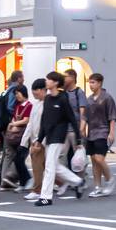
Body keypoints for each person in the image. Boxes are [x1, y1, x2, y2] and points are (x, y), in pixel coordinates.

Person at [33, 70, 83, 206]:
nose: (46, 82)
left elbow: (72, 119)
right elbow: (44, 120)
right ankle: (78, 181)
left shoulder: (63, 98)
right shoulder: (48, 99)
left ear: (55, 83)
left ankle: (46, 197)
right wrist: (39, 139)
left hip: (59, 136)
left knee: (49, 166)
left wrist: (78, 139)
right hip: (49, 136)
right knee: (54, 165)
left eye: (49, 79)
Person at [84, 73, 116, 196]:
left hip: (103, 132)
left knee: (99, 158)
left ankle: (110, 179)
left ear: (99, 83)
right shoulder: (88, 99)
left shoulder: (107, 98)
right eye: (89, 82)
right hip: (91, 133)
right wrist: (82, 130)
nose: (91, 85)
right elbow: (85, 117)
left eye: (93, 82)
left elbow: (112, 117)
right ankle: (97, 187)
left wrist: (112, 132)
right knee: (94, 160)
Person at [21, 78, 48, 202]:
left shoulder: (48, 104)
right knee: (44, 166)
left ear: (43, 90)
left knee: (39, 166)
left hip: (43, 140)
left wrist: (40, 141)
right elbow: (30, 124)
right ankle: (67, 181)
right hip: (35, 139)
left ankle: (37, 190)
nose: (34, 94)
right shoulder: (35, 104)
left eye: (36, 92)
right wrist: (24, 141)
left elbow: (47, 124)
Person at [5, 85, 33, 191]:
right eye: (15, 94)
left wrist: (13, 124)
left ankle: (28, 179)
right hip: (16, 137)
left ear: (23, 93)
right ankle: (23, 182)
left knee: (19, 159)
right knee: (17, 160)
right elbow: (14, 118)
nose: (16, 96)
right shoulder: (18, 106)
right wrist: (12, 124)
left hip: (25, 136)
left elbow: (26, 120)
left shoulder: (29, 105)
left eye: (18, 93)